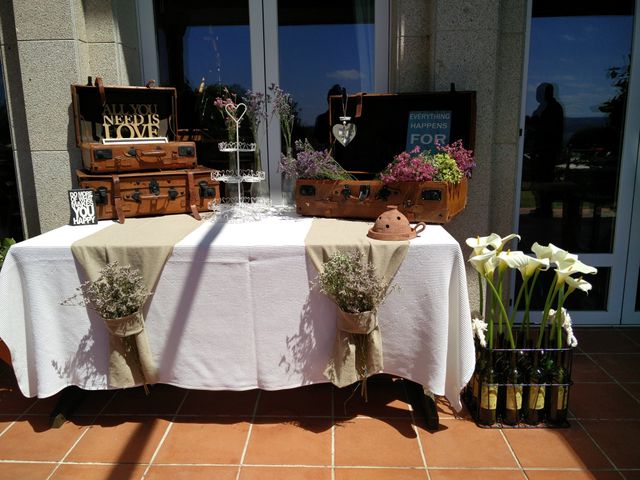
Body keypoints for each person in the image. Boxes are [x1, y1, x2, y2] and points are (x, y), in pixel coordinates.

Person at [525, 82, 564, 217]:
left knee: (545, 181)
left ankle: (545, 209)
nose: (538, 96)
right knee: (540, 181)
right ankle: (542, 208)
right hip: (542, 151)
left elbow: (548, 129)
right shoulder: (545, 107)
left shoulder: (552, 108)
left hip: (546, 152)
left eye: (540, 93)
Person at [313, 84, 343, 148]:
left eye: (340, 100)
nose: (337, 103)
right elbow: (319, 142)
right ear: (329, 100)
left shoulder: (346, 120)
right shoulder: (321, 119)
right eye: (335, 99)